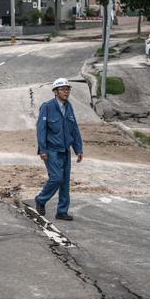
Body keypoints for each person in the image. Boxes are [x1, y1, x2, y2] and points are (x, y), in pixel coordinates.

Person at [34, 78, 83, 221]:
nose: (66, 92)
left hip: (65, 150)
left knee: (65, 182)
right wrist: (42, 150)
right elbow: (41, 129)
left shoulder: (69, 107)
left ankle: (62, 211)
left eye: (67, 89)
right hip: (51, 150)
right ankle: (41, 199)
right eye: (62, 90)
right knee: (56, 178)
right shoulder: (47, 107)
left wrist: (78, 148)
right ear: (55, 92)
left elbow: (74, 129)